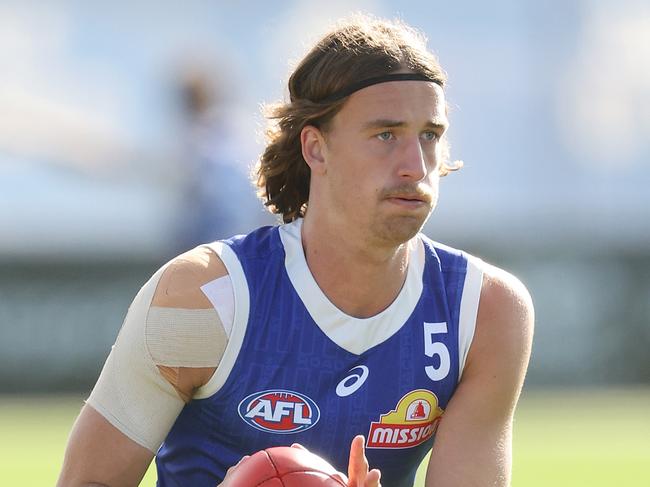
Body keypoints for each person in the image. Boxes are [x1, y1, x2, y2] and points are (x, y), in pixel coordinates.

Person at [57, 14, 534, 487]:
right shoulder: (202, 297)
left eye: (430, 135)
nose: (415, 165)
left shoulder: (484, 310)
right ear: (316, 148)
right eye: (385, 134)